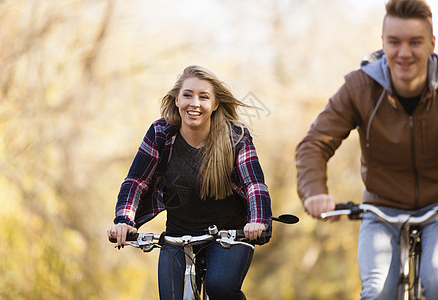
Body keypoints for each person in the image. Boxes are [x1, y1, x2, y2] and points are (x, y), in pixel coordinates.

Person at [295, 0, 438, 299]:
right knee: (376, 291)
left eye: (415, 42)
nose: (404, 52)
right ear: (383, 43)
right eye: (394, 42)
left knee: (436, 279)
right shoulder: (360, 88)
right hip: (381, 208)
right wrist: (314, 192)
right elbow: (314, 144)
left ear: (431, 44)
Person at [107, 65, 272, 299]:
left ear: (215, 104)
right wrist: (124, 220)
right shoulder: (160, 133)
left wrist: (257, 221)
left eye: (203, 97)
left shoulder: (236, 137)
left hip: (230, 234)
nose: (194, 103)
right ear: (176, 100)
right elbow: (136, 182)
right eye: (187, 95)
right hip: (178, 234)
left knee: (220, 288)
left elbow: (254, 185)